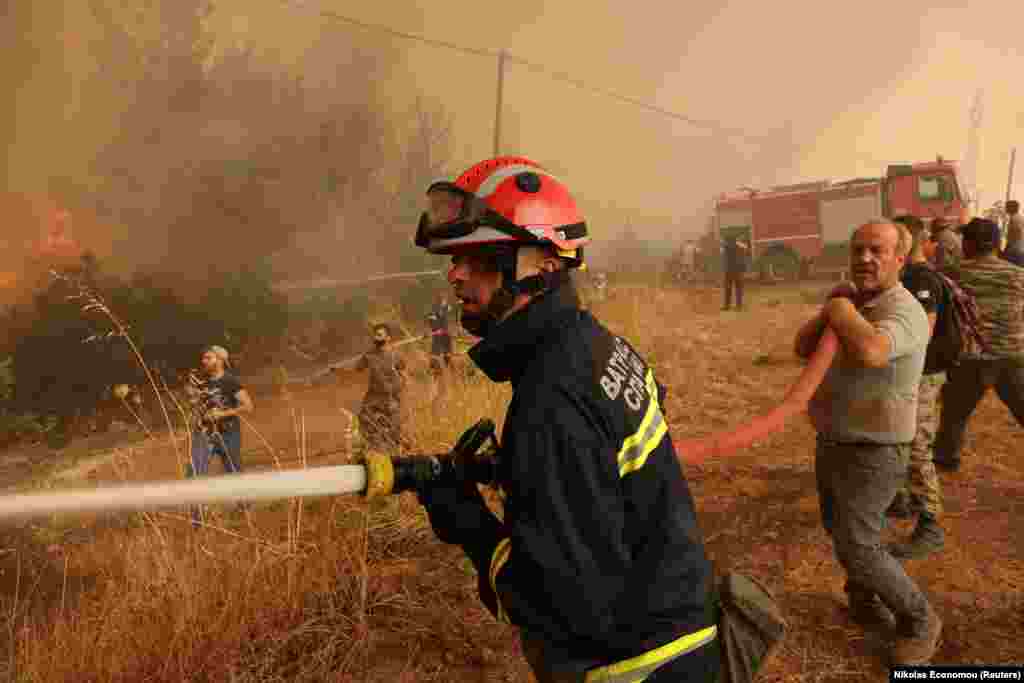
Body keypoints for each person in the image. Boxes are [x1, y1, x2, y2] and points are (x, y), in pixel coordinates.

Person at [413, 156, 719, 681]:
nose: (456, 274)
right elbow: (607, 458)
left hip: (638, 665)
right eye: (454, 258)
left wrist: (467, 521)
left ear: (546, 263)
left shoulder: (550, 400)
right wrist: (513, 470)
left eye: (481, 256)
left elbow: (561, 609)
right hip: (682, 629)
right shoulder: (592, 343)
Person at [794, 219, 941, 665]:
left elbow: (873, 351)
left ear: (900, 259)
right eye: (858, 250)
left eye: (877, 250)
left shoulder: (905, 311)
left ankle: (921, 620)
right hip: (836, 438)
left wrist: (840, 313)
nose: (864, 259)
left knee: (858, 543)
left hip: (876, 448)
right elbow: (803, 347)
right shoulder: (855, 302)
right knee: (846, 531)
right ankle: (865, 598)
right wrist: (831, 310)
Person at [933, 218, 1024, 471]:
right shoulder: (1018, 275)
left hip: (970, 358)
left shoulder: (951, 275)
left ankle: (946, 459)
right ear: (997, 244)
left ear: (968, 244)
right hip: (1012, 355)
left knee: (954, 414)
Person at [887, 216, 946, 559]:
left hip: (923, 374)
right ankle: (906, 500)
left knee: (917, 444)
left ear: (910, 240)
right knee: (903, 440)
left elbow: (922, 334)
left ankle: (931, 525)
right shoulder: (909, 276)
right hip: (914, 374)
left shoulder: (922, 279)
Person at [185, 345, 254, 527]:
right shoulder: (201, 382)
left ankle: (246, 514)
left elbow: (248, 406)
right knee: (193, 474)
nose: (204, 361)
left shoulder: (230, 381)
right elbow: (196, 404)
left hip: (228, 434)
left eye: (209, 358)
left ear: (220, 360)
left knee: (235, 473)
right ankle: (197, 523)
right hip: (204, 434)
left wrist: (222, 414)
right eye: (203, 358)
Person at [356, 323, 406, 453]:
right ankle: (372, 450)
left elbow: (403, 374)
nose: (376, 337)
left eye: (379, 335)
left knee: (394, 431)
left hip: (391, 397)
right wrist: (337, 370)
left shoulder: (396, 356)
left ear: (388, 337)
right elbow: (357, 369)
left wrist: (398, 391)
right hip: (373, 396)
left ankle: (395, 453)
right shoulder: (369, 355)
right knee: (364, 420)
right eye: (375, 335)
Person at [426, 293, 454, 372]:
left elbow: (452, 309)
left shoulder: (446, 308)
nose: (444, 302)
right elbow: (431, 320)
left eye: (444, 300)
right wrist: (436, 329)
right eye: (442, 300)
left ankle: (448, 367)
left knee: (447, 352)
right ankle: (434, 368)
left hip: (445, 333)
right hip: (437, 334)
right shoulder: (433, 309)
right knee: (435, 351)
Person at [722, 234, 750, 310]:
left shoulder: (726, 246)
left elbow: (724, 256)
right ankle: (738, 306)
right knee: (738, 289)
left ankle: (727, 306)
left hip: (729, 270)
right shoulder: (741, 246)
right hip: (738, 270)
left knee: (728, 289)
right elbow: (746, 251)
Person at [1002, 200, 1024, 267]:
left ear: (1011, 208)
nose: (1005, 208)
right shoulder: (1018, 217)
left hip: (1015, 249)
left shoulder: (1015, 218)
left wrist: (1009, 247)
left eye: (1006, 207)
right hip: (1018, 248)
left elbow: (1017, 233)